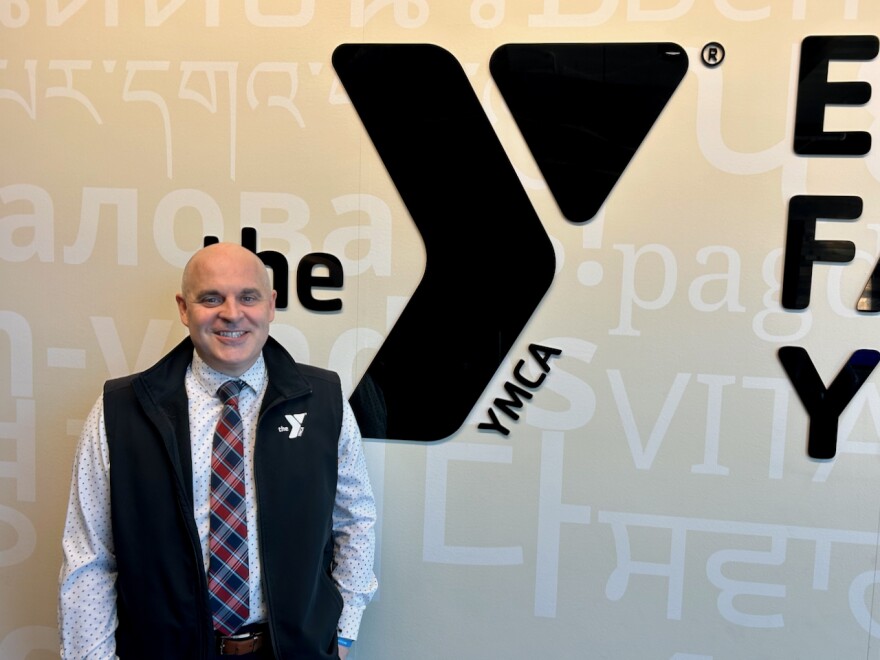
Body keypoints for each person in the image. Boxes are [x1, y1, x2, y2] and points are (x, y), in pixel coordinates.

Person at [59, 242, 378, 659]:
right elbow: (89, 557)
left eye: (248, 297)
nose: (232, 313)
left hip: (292, 651)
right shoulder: (120, 411)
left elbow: (355, 520)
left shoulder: (324, 402)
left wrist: (343, 632)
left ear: (271, 305)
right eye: (211, 298)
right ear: (183, 307)